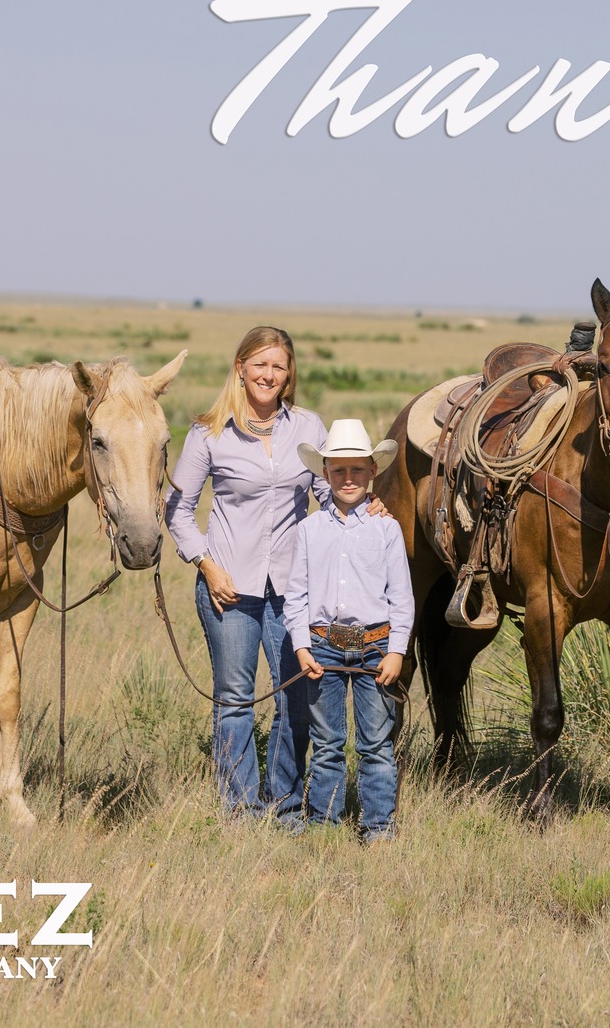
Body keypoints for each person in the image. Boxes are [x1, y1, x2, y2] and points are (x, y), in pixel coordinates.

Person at [165, 326, 330, 824]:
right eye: (260, 364)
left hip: (292, 590)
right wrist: (206, 564)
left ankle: (284, 806)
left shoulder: (307, 427)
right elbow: (178, 510)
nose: (269, 375)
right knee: (235, 699)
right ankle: (239, 809)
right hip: (228, 587)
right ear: (240, 367)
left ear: (289, 374)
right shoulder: (208, 433)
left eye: (278, 366)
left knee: (295, 698)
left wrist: (371, 512)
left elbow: (328, 492)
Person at [286, 419, 413, 843]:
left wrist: (396, 650)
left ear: (372, 472)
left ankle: (378, 827)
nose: (348, 478)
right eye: (338, 470)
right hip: (323, 645)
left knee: (376, 743)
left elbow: (402, 597)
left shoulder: (386, 529)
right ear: (325, 475)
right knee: (327, 743)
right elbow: (296, 597)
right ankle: (325, 824)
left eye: (357, 469)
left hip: (375, 648)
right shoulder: (308, 531)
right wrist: (302, 647)